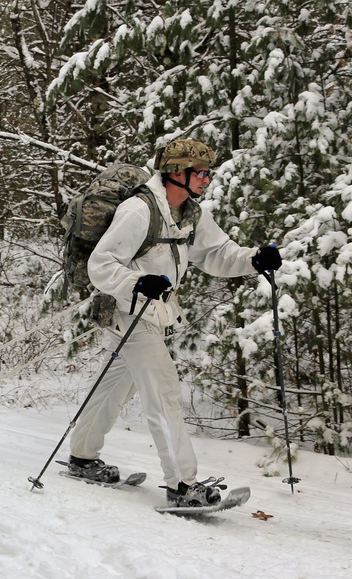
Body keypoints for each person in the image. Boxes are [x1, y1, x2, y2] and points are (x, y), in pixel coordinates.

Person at [65, 139, 282, 508]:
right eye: (200, 172)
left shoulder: (189, 213)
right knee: (164, 392)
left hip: (152, 314)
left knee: (116, 385)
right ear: (176, 173)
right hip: (129, 313)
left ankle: (82, 456)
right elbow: (100, 265)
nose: (206, 179)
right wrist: (137, 282)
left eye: (208, 173)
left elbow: (217, 253)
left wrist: (254, 259)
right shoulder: (138, 211)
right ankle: (183, 485)